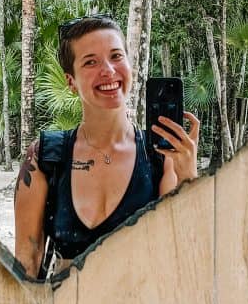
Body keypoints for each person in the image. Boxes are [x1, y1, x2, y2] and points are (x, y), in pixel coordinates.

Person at [14, 15, 200, 279]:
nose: (109, 71)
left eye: (116, 56)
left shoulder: (161, 156)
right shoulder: (44, 157)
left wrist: (188, 178)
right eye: (91, 61)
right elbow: (27, 261)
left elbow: (181, 251)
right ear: (71, 81)